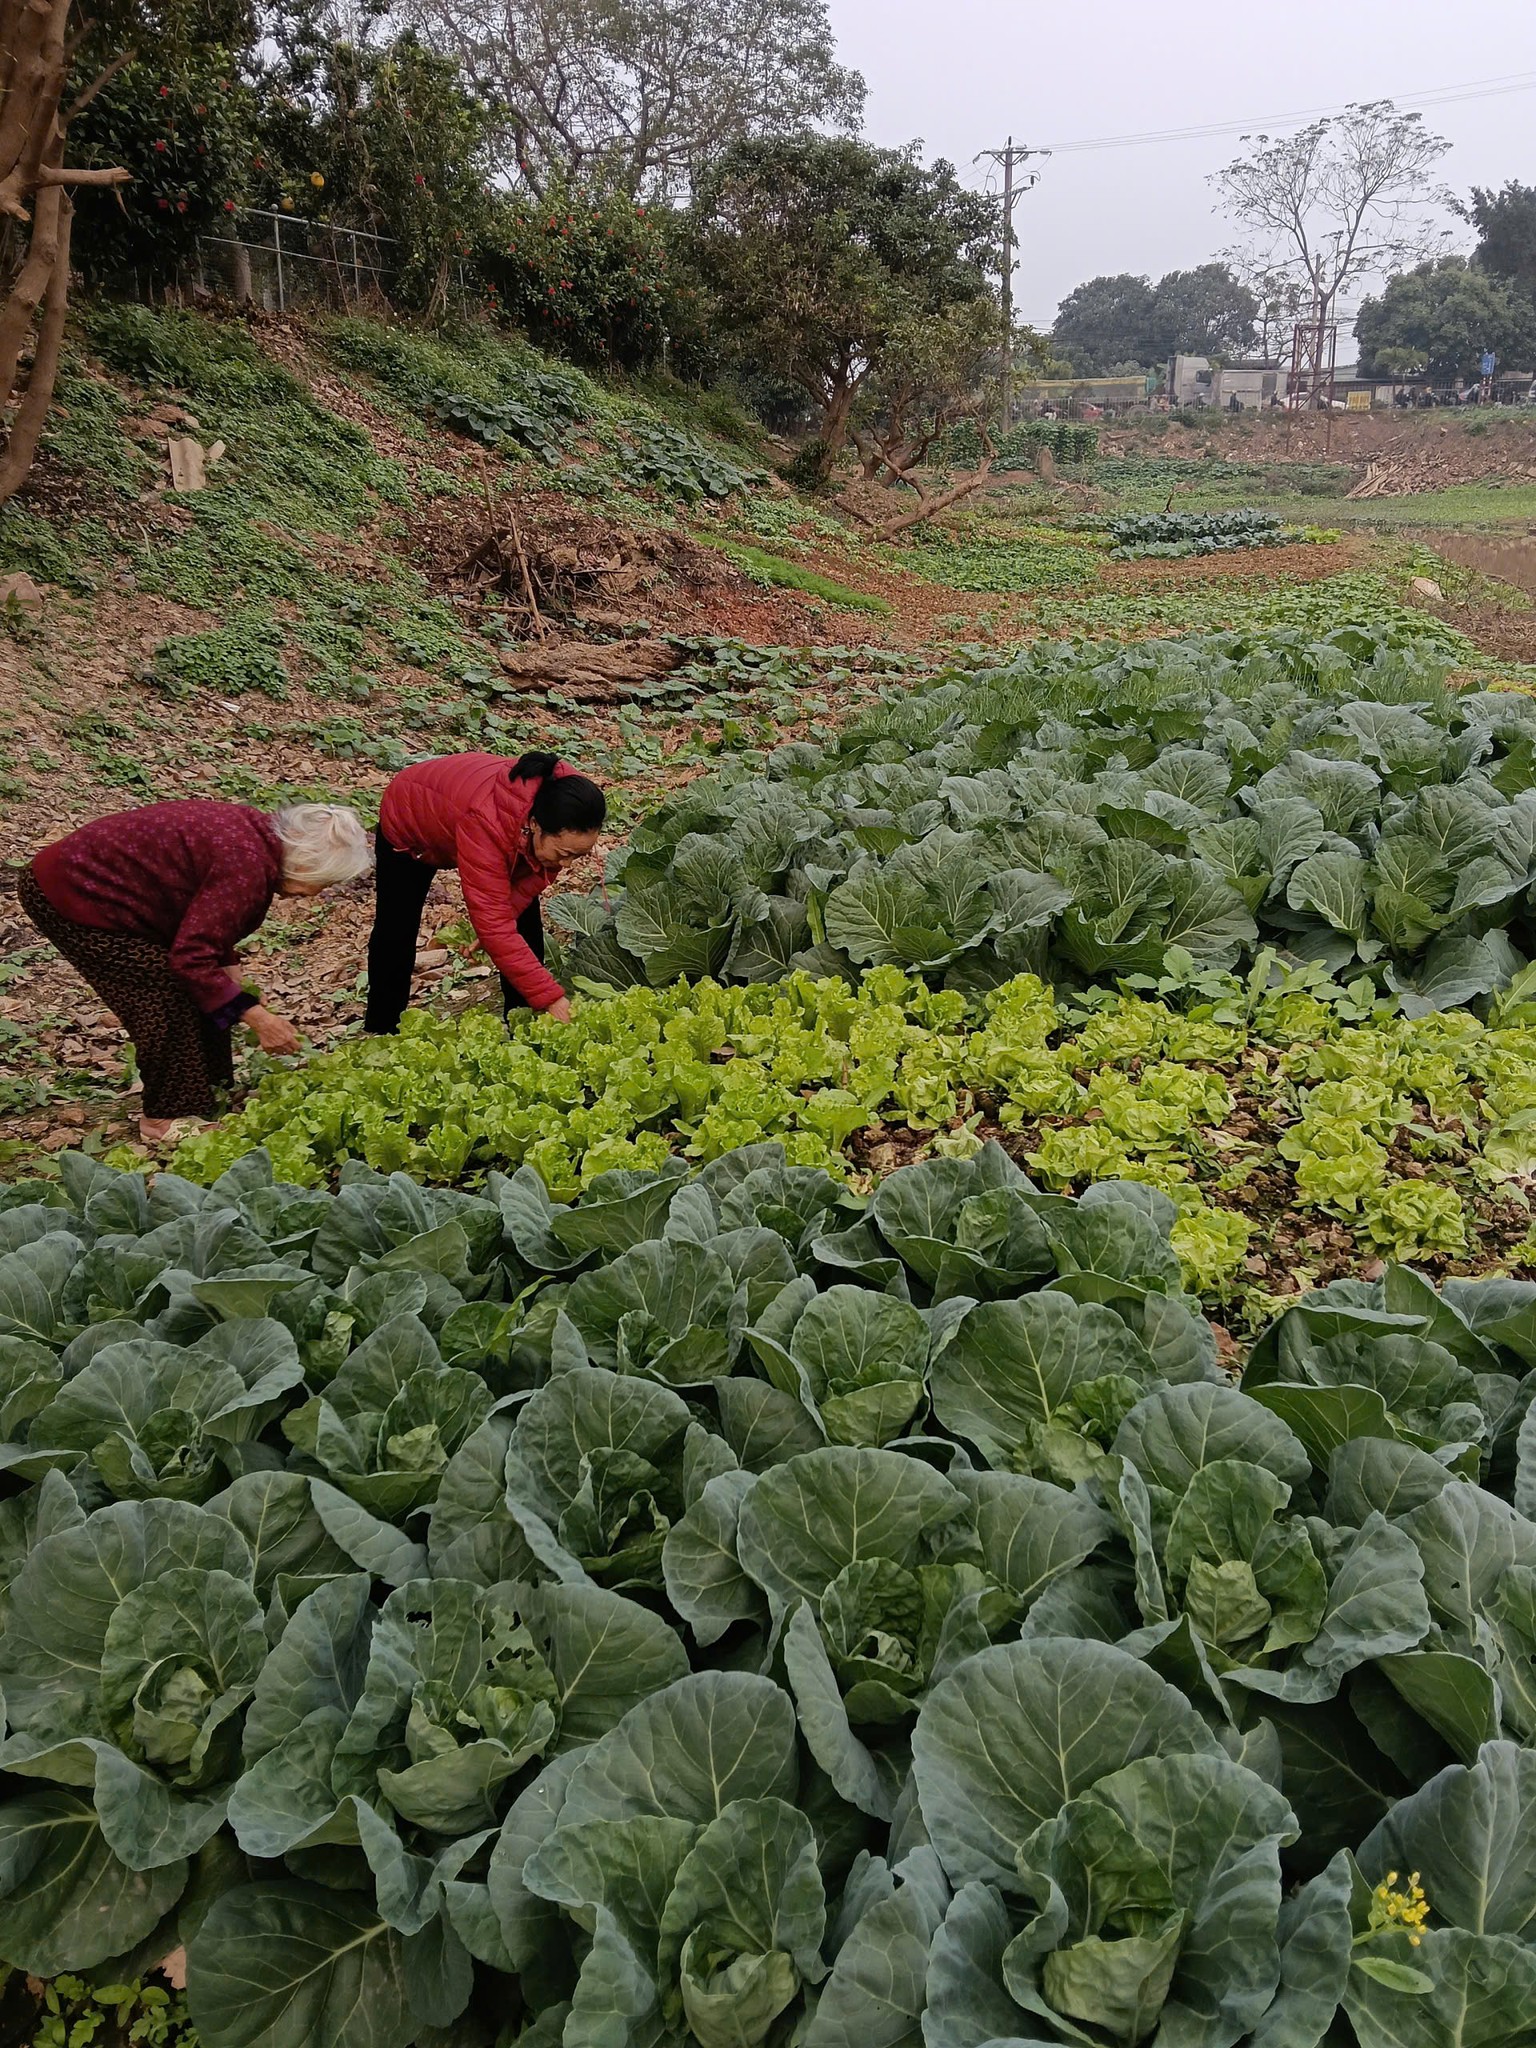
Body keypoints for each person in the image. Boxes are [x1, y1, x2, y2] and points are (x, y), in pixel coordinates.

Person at [20, 799, 372, 1144]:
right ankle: (163, 1118)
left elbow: (209, 914)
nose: (315, 894)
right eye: (322, 884)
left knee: (212, 988)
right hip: (75, 894)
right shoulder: (247, 864)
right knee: (167, 992)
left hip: (100, 887)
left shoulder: (256, 838)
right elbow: (190, 958)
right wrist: (257, 1017)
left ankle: (208, 1088)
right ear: (307, 865)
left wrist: (231, 976)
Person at [365, 750, 605, 1034]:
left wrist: (503, 922)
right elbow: (494, 923)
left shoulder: (570, 801)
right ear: (535, 825)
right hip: (410, 817)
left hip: (472, 810)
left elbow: (530, 884)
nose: (566, 864)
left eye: (577, 856)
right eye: (564, 854)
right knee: (396, 928)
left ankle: (522, 1021)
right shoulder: (485, 822)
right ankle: (381, 1029)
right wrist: (551, 997)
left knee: (524, 922)